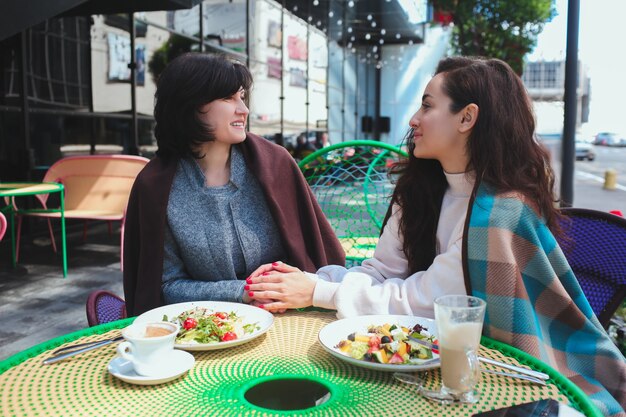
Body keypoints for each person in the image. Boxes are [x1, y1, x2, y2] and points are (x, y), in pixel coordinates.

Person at [247, 56, 626, 415]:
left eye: (427, 106)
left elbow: (433, 304)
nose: (413, 119)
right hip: (428, 366)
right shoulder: (421, 187)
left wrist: (318, 292)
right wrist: (307, 281)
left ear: (467, 118)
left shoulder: (501, 212)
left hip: (515, 378)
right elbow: (383, 271)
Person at [123, 53, 345, 317]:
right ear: (190, 105)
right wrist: (243, 291)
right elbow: (164, 288)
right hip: (202, 329)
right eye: (229, 98)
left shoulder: (276, 165)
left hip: (287, 319)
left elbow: (313, 259)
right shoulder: (156, 186)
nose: (244, 109)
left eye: (241, 96)